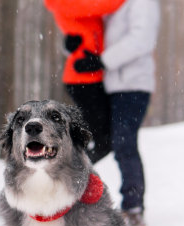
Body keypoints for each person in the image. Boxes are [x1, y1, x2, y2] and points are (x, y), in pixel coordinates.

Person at [73, 0, 160, 226]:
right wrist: (74, 46)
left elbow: (141, 39)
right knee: (100, 141)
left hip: (134, 84)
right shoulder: (110, 5)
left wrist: (102, 61)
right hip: (108, 84)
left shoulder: (142, 3)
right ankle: (70, 191)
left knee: (124, 142)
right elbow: (95, 38)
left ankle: (132, 208)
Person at [43, 0, 125, 163]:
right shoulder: (64, 3)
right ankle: (70, 170)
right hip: (82, 80)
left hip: (93, 77)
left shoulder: (78, 6)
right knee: (103, 142)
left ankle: (72, 167)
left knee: (104, 137)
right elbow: (106, 5)